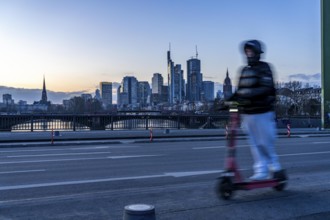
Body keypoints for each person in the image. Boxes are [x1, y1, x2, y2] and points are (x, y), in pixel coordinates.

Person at [234, 39, 282, 181]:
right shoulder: (244, 70)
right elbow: (239, 91)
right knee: (255, 144)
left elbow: (267, 88)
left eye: (251, 51)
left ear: (257, 53)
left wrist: (249, 96)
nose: (249, 53)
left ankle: (275, 167)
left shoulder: (265, 68)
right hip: (248, 114)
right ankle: (261, 170)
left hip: (263, 112)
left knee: (265, 143)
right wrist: (229, 103)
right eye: (247, 51)